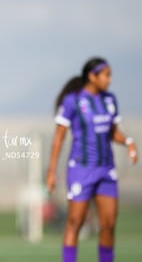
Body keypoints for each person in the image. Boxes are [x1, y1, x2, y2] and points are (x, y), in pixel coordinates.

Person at [46, 57, 138, 262]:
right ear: (92, 76)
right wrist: (51, 172)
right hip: (81, 169)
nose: (110, 80)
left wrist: (129, 141)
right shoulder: (73, 101)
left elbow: (113, 132)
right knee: (75, 222)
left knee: (108, 224)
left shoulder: (109, 99)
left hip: (106, 170)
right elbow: (59, 137)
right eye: (106, 75)